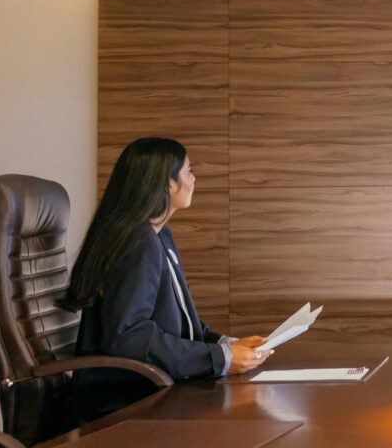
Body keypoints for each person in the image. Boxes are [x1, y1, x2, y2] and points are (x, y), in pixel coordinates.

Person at [61, 137, 272, 421]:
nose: (194, 179)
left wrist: (227, 346)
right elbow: (129, 336)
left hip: (157, 387)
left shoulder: (158, 236)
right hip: (127, 402)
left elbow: (177, 322)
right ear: (167, 183)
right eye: (189, 171)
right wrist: (220, 358)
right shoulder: (137, 242)